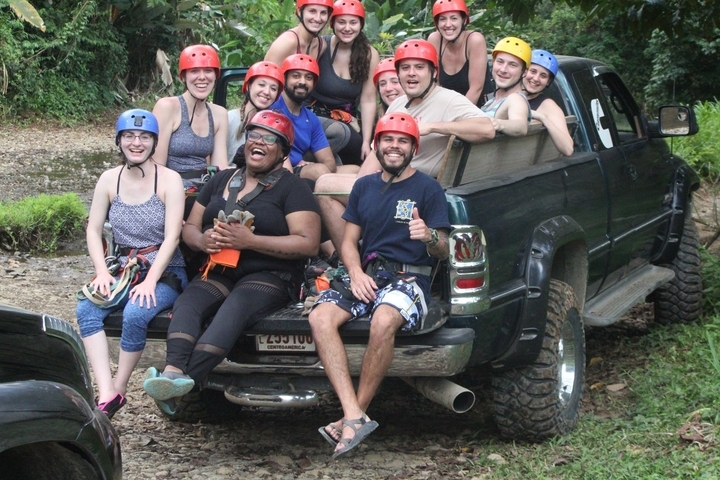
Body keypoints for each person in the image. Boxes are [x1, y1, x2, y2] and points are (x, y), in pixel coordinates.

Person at [142, 110, 321, 414]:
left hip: (268, 274)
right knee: (188, 304)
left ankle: (185, 382)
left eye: (269, 139)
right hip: (218, 268)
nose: (259, 143)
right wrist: (202, 241)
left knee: (234, 309)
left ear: (282, 152)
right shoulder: (222, 179)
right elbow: (190, 228)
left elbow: (308, 242)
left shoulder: (293, 188)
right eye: (254, 136)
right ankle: (172, 373)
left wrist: (251, 242)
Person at [309, 113, 451, 458]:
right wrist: (355, 273)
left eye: (403, 141)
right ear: (376, 145)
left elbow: (444, 249)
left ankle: (353, 415)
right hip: (368, 272)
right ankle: (354, 414)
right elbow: (348, 240)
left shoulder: (429, 189)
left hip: (409, 275)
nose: (394, 146)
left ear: (413, 148)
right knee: (319, 318)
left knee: (383, 320)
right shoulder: (364, 185)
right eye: (388, 139)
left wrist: (430, 236)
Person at [314, 39, 493, 254]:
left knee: (325, 186)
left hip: (417, 189)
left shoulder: (448, 99)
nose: (411, 74)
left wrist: (431, 127)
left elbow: (486, 129)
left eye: (419, 67)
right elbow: (375, 153)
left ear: (433, 72)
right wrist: (362, 185)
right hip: (389, 181)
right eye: (405, 68)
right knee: (325, 182)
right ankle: (353, 259)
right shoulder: (399, 104)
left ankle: (352, 261)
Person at [76, 109, 188, 418]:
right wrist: (101, 271)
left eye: (143, 137)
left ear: (154, 142)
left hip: (164, 270)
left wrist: (151, 279)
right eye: (129, 136)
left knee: (136, 312)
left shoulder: (169, 180)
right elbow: (93, 229)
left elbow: (172, 238)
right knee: (87, 308)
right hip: (123, 266)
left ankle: (120, 387)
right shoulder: (109, 179)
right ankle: (106, 390)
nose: (136, 143)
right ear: (119, 140)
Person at [152, 44, 229, 219]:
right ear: (184, 77)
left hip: (204, 191)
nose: (202, 77)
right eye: (194, 71)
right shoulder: (168, 107)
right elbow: (156, 167)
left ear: (215, 76)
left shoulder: (219, 114)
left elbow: (220, 167)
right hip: (173, 189)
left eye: (208, 71)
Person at [308, 0, 380, 166]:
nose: (347, 28)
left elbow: (368, 99)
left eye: (353, 22)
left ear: (361, 25)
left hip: (346, 119)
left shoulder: (369, 54)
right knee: (337, 135)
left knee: (358, 151)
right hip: (313, 113)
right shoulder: (320, 46)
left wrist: (366, 141)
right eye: (341, 22)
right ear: (333, 23)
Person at [271, 53, 353, 181]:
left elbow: (329, 162)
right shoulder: (272, 105)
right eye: (296, 76)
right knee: (319, 171)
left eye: (308, 78)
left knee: (356, 171)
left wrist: (312, 165)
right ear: (284, 79)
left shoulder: (311, 118)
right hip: (280, 170)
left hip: (302, 167)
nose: (302, 82)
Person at [427, 0, 489, 106]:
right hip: (446, 107)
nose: (448, 24)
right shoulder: (435, 39)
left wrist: (455, 116)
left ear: (463, 20)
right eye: (442, 19)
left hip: (477, 107)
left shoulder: (474, 40)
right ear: (437, 23)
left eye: (454, 18)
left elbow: (476, 88)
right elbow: (433, 83)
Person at [226, 60, 285, 165]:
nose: (267, 92)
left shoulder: (276, 126)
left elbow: (285, 166)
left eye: (273, 88)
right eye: (261, 85)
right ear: (248, 86)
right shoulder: (228, 119)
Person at [522, 49, 574, 156]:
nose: (536, 78)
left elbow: (568, 149)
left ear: (548, 82)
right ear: (524, 71)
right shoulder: (507, 95)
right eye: (533, 71)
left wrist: (542, 118)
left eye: (543, 76)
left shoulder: (548, 105)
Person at [480, 36, 532, 136]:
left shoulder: (515, 98)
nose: (503, 69)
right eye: (500, 62)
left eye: (512, 65)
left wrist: (498, 124)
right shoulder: (492, 100)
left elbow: (521, 126)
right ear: (493, 62)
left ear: (524, 72)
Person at [264, 0, 334, 64]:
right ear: (299, 12)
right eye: (312, 11)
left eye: (323, 13)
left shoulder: (321, 46)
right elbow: (265, 75)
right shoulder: (286, 42)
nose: (318, 18)